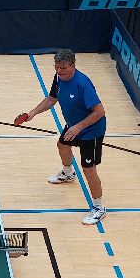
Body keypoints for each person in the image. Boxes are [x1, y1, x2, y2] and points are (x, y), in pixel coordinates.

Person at [17, 49, 108, 225]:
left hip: (90, 131)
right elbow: (51, 99)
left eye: (63, 68)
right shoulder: (59, 78)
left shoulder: (83, 84)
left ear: (73, 65)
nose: (59, 71)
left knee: (89, 170)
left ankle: (99, 208)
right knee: (63, 146)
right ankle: (68, 173)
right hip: (74, 125)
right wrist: (33, 113)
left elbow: (99, 112)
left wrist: (79, 127)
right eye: (56, 67)